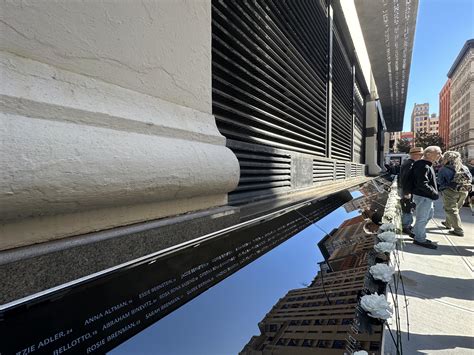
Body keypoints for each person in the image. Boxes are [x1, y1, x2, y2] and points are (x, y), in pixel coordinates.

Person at [411, 146, 442, 249]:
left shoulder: (427, 165)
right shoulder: (423, 166)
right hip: (423, 196)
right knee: (422, 218)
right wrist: (434, 193)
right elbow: (422, 184)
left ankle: (416, 233)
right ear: (428, 154)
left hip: (426, 196)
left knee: (428, 215)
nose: (440, 155)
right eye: (438, 153)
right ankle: (419, 238)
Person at [437, 151, 473, 236]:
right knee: (455, 209)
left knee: (451, 209)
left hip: (450, 191)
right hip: (464, 191)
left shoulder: (443, 169)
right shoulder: (464, 167)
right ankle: (448, 223)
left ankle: (458, 230)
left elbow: (440, 181)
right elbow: (470, 179)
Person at [399, 147, 424, 235]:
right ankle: (405, 226)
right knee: (407, 208)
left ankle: (407, 224)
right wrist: (407, 192)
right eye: (420, 155)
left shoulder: (411, 163)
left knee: (409, 208)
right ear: (415, 155)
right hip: (408, 190)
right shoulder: (409, 164)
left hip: (409, 190)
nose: (421, 156)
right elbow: (405, 179)